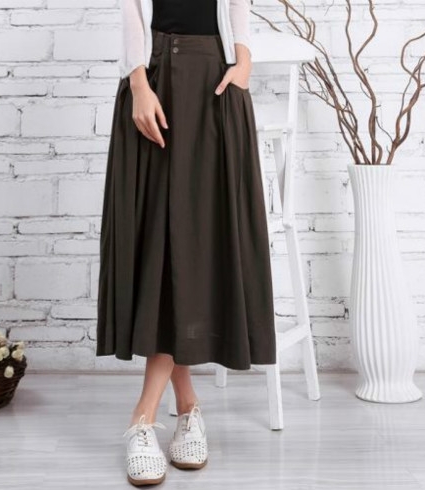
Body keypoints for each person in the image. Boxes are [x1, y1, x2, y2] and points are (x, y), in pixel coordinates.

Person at [96, 0, 277, 485]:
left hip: (216, 83)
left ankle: (145, 416)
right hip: (154, 78)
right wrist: (138, 83)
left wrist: (243, 61)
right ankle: (188, 407)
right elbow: (130, 9)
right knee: (161, 241)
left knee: (197, 243)